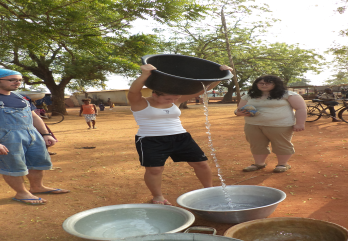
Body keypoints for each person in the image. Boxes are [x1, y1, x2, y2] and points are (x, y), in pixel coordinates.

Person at [128, 64, 232, 205]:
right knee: (155, 169)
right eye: (167, 99)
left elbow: (203, 88)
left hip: (181, 137)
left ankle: (209, 189)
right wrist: (145, 74)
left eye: (175, 98)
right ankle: (157, 196)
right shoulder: (140, 103)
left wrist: (220, 75)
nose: (172, 101)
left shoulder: (176, 100)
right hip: (150, 140)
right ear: (155, 94)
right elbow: (134, 91)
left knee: (201, 164)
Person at [0, 68, 69, 205]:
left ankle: (37, 187)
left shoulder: (21, 97)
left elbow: (34, 116)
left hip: (31, 134)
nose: (17, 83)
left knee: (37, 162)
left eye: (19, 80)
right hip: (5, 138)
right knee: (13, 166)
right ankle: (21, 193)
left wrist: (46, 134)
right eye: (12, 80)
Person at [234, 75, 306, 173]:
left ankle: (282, 164)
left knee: (282, 144)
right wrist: (237, 112)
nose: (264, 85)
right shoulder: (249, 96)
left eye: (268, 83)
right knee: (256, 145)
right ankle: (259, 164)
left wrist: (300, 123)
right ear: (256, 84)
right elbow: (239, 109)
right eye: (261, 83)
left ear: (275, 84)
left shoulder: (288, 95)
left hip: (280, 125)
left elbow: (301, 108)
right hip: (252, 125)